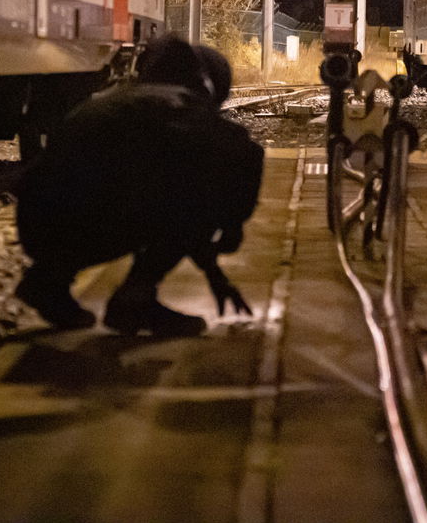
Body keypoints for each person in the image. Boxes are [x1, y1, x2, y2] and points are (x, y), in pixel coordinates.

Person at [14, 35, 264, 336]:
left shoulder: (111, 102)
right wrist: (231, 230)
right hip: (95, 225)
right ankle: (135, 301)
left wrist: (214, 273)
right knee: (187, 188)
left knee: (138, 189)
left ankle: (48, 281)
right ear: (210, 85)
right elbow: (200, 194)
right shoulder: (188, 115)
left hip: (36, 226)